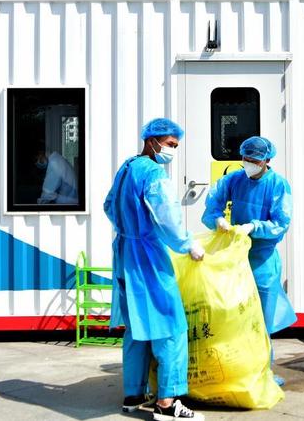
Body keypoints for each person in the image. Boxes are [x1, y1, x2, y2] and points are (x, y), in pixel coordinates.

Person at [104, 118, 205, 421]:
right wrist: (188, 245)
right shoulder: (154, 174)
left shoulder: (127, 167)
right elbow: (168, 217)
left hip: (125, 254)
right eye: (171, 145)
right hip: (147, 258)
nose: (172, 151)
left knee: (137, 327)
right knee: (170, 327)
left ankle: (133, 395)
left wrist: (130, 228)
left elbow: (109, 205)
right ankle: (167, 403)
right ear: (153, 141)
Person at [201, 136, 296, 386]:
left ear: (267, 160)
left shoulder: (278, 185)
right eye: (246, 159)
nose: (249, 163)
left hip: (263, 260)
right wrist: (218, 221)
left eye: (254, 160)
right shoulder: (234, 179)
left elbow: (280, 223)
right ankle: (237, 369)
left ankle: (263, 372)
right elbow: (212, 205)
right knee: (234, 317)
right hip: (236, 258)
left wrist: (253, 227)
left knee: (260, 321)